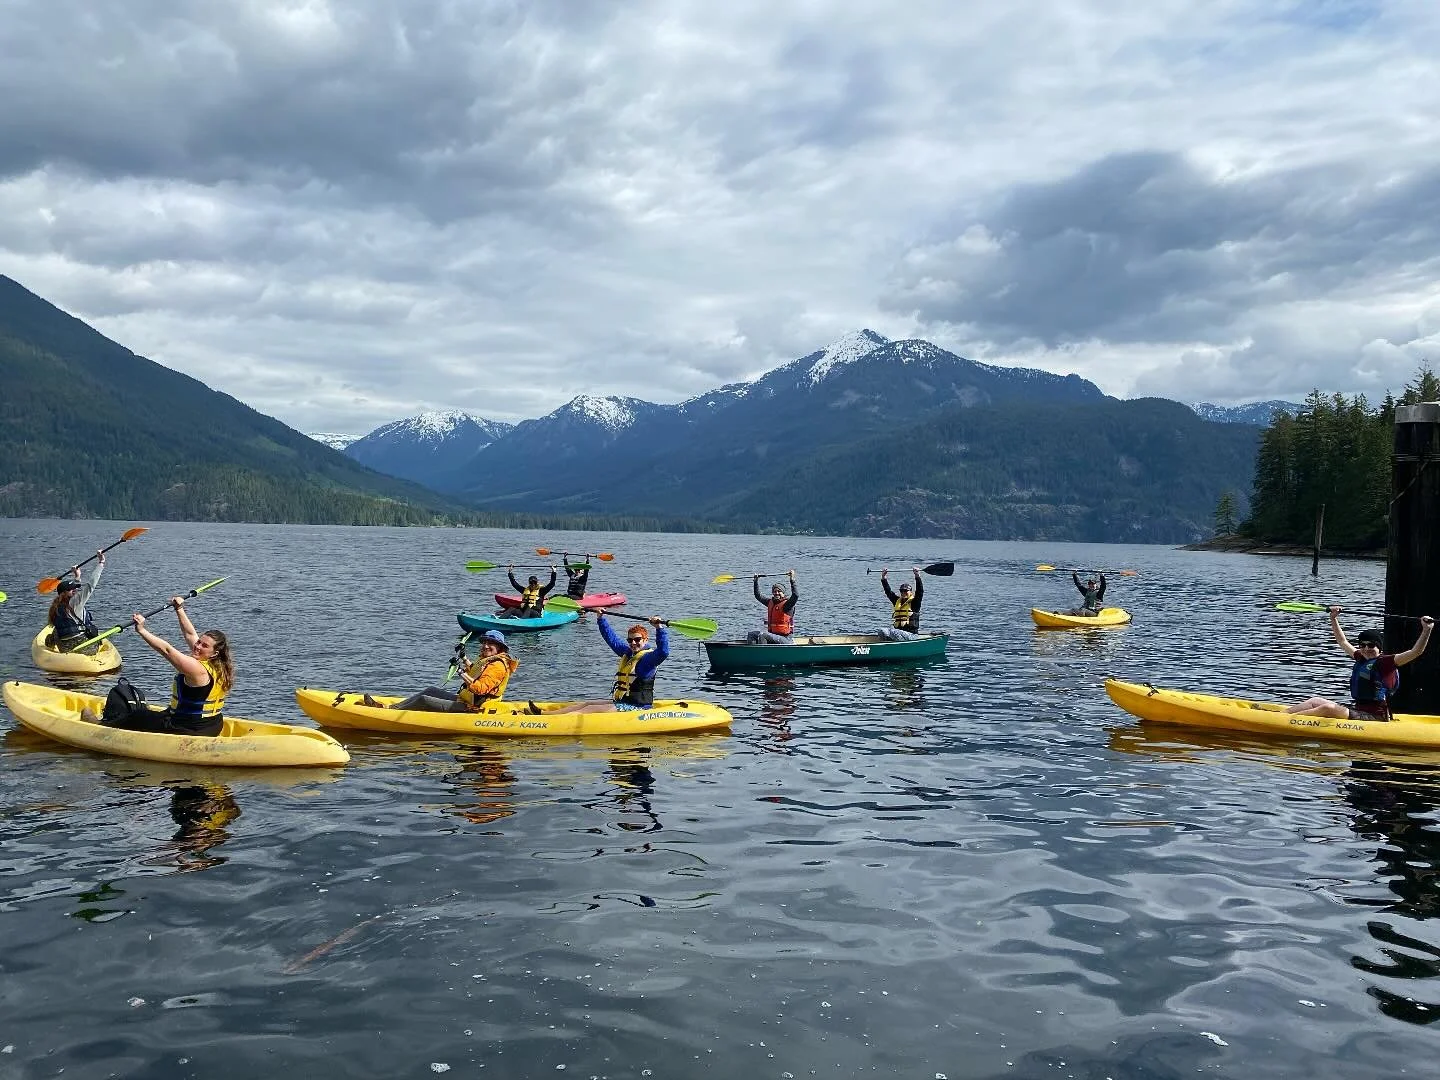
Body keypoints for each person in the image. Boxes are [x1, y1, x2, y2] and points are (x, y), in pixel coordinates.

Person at [86, 597, 234, 736]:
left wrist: (142, 631)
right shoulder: (218, 664)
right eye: (199, 642)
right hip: (212, 725)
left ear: (214, 653)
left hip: (188, 727)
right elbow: (190, 634)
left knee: (139, 715)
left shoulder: (198, 670)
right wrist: (179, 609)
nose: (198, 646)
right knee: (154, 714)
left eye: (204, 645)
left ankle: (99, 726)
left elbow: (167, 650)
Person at [1286, 608, 1434, 722]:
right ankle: (1280, 716)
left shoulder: (1386, 662)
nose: (1366, 649)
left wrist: (1426, 630)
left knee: (1327, 708)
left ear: (1379, 648)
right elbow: (1342, 641)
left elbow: (1416, 652)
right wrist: (1333, 618)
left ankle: (1288, 722)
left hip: (1376, 717)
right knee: (1315, 701)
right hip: (1358, 709)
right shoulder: (1361, 657)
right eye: (1362, 645)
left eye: (1371, 645)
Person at [365, 629, 519, 713]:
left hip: (476, 709)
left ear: (499, 648)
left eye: (490, 643)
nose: (485, 646)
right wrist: (464, 658)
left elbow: (480, 688)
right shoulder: (488, 660)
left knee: (424, 700)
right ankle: (392, 708)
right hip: (465, 700)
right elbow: (475, 671)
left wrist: (460, 673)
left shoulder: (498, 666)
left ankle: (388, 712)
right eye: (484, 642)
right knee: (430, 690)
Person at [548, 612, 670, 713]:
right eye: (630, 640)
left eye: (637, 640)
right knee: (587, 703)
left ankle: (552, 723)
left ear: (645, 640)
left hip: (638, 708)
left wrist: (659, 628)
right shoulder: (628, 653)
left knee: (591, 709)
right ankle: (545, 714)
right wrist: (601, 619)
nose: (633, 643)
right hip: (623, 702)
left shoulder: (648, 659)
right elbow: (612, 639)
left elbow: (663, 652)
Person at [46, 550, 105, 651]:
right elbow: (91, 584)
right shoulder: (75, 602)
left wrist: (77, 576)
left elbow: (75, 589)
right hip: (83, 648)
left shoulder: (55, 606)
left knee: (56, 630)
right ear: (64, 593)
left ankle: (51, 648)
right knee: (95, 635)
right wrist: (101, 563)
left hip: (64, 648)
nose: (75, 590)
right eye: (71, 589)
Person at [747, 570, 798, 644]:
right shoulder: (770, 602)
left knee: (763, 635)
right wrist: (756, 581)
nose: (776, 593)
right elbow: (758, 596)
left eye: (779, 591)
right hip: (773, 636)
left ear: (783, 593)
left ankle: (764, 654)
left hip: (786, 639)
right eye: (774, 591)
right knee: (752, 634)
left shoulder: (787, 605)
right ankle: (752, 652)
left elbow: (795, 595)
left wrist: (792, 580)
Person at [880, 568, 924, 640]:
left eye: (906, 591)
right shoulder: (897, 601)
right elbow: (888, 592)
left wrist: (917, 576)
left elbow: (920, 591)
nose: (903, 593)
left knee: (895, 632)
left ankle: (897, 643)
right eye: (901, 591)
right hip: (899, 634)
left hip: (911, 635)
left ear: (910, 592)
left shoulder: (915, 602)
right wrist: (883, 577)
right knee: (881, 631)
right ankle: (888, 644)